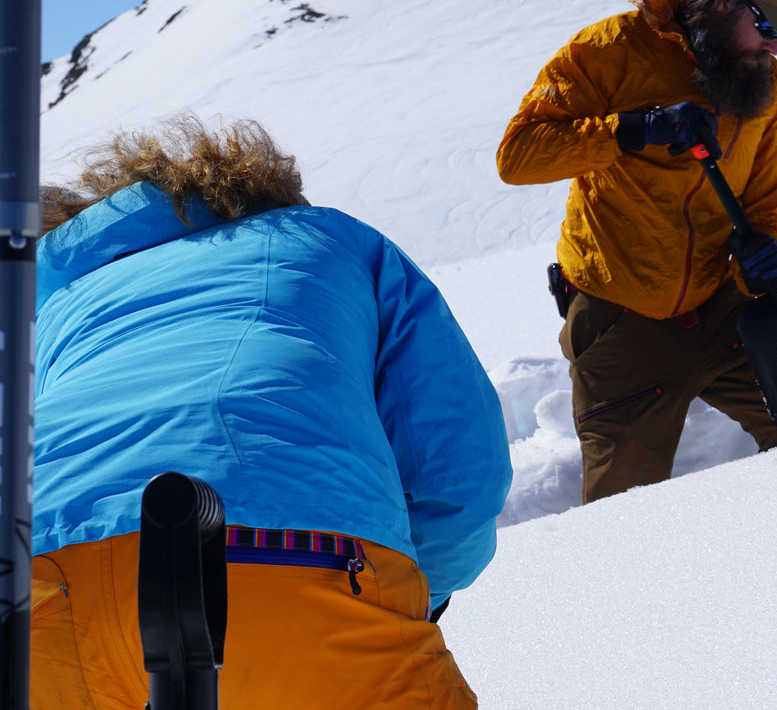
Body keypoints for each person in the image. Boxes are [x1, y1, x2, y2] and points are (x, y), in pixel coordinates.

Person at [30, 116, 512, 709]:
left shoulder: (62, 303)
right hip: (279, 554)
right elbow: (456, 465)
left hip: (40, 587)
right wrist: (413, 589)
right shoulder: (335, 241)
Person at [497, 0, 777, 503]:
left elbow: (769, 190)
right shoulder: (609, 51)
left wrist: (763, 249)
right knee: (619, 515)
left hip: (724, 307)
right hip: (621, 322)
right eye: (768, 26)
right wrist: (634, 129)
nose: (775, 46)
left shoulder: (763, 80)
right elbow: (518, 155)